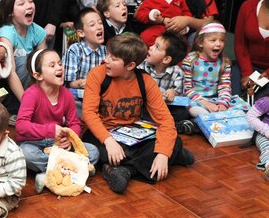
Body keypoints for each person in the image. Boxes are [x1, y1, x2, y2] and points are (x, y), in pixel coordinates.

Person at [83, 33, 194, 194]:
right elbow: (88, 114)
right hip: (103, 134)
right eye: (108, 54)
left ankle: (126, 171)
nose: (106, 60)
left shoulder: (145, 81)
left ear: (130, 66)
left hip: (133, 134)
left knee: (174, 140)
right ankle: (173, 157)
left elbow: (165, 120)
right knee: (95, 150)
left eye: (113, 58)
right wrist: (109, 141)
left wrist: (163, 154)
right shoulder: (97, 75)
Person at [15, 49, 100, 193]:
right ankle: (75, 169)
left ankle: (48, 174)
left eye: (60, 63)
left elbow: (74, 123)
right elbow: (21, 126)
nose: (59, 67)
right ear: (38, 75)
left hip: (58, 144)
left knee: (93, 151)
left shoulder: (66, 94)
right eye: (52, 65)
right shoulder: (31, 94)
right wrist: (49, 130)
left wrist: (70, 137)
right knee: (25, 153)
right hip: (33, 142)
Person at [0, 0, 47, 101]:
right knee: (24, 60)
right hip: (9, 91)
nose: (29, 6)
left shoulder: (38, 31)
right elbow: (11, 74)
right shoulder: (6, 34)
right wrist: (26, 104)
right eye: (21, 3)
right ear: (10, 12)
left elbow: (44, 66)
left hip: (32, 87)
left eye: (31, 1)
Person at [139, 31, 190, 131]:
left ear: (166, 59)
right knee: (140, 111)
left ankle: (169, 125)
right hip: (147, 105)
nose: (151, 47)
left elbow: (179, 92)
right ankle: (170, 126)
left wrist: (173, 92)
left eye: (157, 47)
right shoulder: (142, 66)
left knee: (182, 112)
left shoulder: (177, 72)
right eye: (153, 44)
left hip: (165, 107)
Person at [64, 7, 108, 118]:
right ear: (81, 33)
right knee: (68, 97)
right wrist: (83, 83)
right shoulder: (75, 50)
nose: (99, 27)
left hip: (100, 96)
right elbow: (69, 83)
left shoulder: (107, 51)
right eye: (92, 25)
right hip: (80, 96)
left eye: (100, 23)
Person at [181, 22, 232, 117]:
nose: (218, 44)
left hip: (216, 100)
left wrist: (223, 103)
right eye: (213, 40)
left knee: (238, 112)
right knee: (198, 112)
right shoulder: (190, 61)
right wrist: (206, 103)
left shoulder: (224, 63)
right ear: (200, 43)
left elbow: (225, 87)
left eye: (222, 40)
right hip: (195, 100)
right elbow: (187, 89)